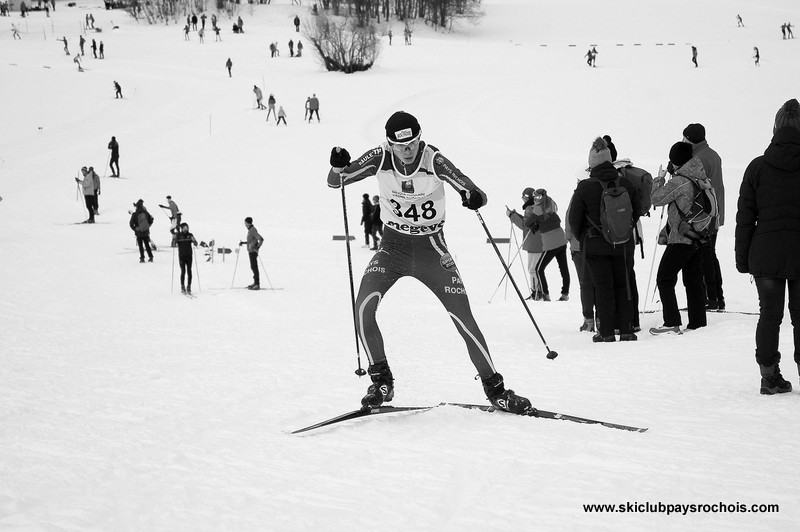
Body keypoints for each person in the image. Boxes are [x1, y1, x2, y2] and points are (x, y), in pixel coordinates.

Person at [326, 110, 533, 415]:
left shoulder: (433, 159)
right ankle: (382, 380)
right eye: (401, 146)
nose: (408, 150)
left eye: (413, 143)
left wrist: (472, 194)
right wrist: (339, 164)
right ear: (390, 143)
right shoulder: (380, 158)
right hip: (392, 248)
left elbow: (471, 188)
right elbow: (335, 182)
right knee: (363, 308)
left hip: (432, 251)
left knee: (463, 318)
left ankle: (497, 390)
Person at [735, 98, 800, 395]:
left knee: (769, 316)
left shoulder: (757, 168)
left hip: (766, 252)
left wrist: (742, 259)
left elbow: (745, 217)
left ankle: (769, 376)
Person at [568, 137, 641, 342]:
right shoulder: (625, 182)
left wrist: (586, 238)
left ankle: (606, 332)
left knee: (603, 287)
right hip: (623, 243)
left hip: (595, 245)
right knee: (623, 284)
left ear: (591, 163)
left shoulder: (585, 187)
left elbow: (575, 220)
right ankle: (626, 329)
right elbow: (635, 212)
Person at [649, 142, 708, 335]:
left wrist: (659, 179)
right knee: (693, 281)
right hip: (697, 236)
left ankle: (672, 322)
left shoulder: (680, 181)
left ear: (676, 162)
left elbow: (656, 199)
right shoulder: (699, 174)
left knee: (664, 278)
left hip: (681, 237)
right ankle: (698, 323)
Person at [683, 123, 725, 310]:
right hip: (715, 212)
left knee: (704, 256)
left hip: (704, 215)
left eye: (685, 138)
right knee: (710, 254)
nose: (682, 141)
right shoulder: (712, 154)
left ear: (691, 139)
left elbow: (691, 184)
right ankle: (717, 296)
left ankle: (711, 298)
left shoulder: (698, 159)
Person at [527, 189, 570, 302]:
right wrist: (539, 223)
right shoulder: (551, 203)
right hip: (562, 239)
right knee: (563, 268)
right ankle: (565, 294)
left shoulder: (537, 208)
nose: (535, 200)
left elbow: (528, 223)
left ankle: (546, 295)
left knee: (538, 269)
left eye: (536, 198)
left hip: (550, 244)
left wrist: (535, 224)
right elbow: (547, 219)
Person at [507, 187, 545, 300]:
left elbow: (525, 226)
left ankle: (537, 293)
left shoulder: (529, 208)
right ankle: (538, 291)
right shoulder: (536, 206)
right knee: (535, 268)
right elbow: (527, 221)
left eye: (524, 197)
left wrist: (511, 216)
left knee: (533, 269)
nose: (523, 200)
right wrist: (515, 215)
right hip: (538, 242)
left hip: (534, 243)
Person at [240, 217, 263, 290]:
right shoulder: (250, 230)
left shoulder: (253, 230)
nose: (245, 224)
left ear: (248, 223)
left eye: (245, 223)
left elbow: (261, 239)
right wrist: (243, 243)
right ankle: (255, 283)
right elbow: (251, 241)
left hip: (253, 251)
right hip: (250, 251)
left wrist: (257, 247)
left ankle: (257, 284)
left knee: (254, 267)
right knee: (253, 267)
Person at [175, 223, 198, 294]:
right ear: (182, 228)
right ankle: (182, 286)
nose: (186, 229)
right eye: (184, 228)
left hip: (189, 255)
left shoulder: (190, 235)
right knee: (183, 271)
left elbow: (196, 244)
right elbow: (173, 244)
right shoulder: (178, 235)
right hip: (182, 255)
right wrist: (174, 239)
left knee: (189, 271)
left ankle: (189, 286)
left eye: (187, 228)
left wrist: (193, 240)